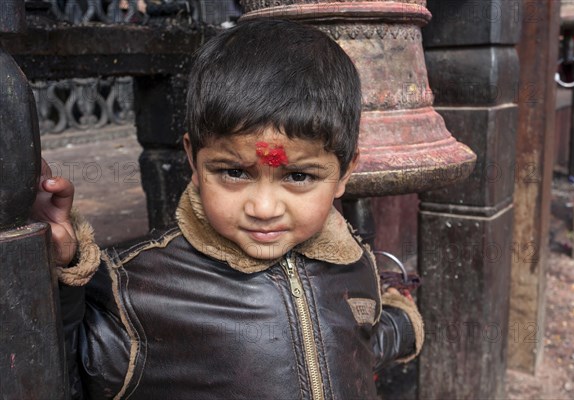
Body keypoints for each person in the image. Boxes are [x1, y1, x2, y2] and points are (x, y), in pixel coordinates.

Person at [36, 19, 424, 400]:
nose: (263, 207)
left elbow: (355, 342)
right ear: (193, 157)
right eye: (234, 172)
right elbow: (64, 374)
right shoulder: (134, 287)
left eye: (300, 177)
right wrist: (63, 270)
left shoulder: (353, 263)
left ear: (344, 172)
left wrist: (403, 321)